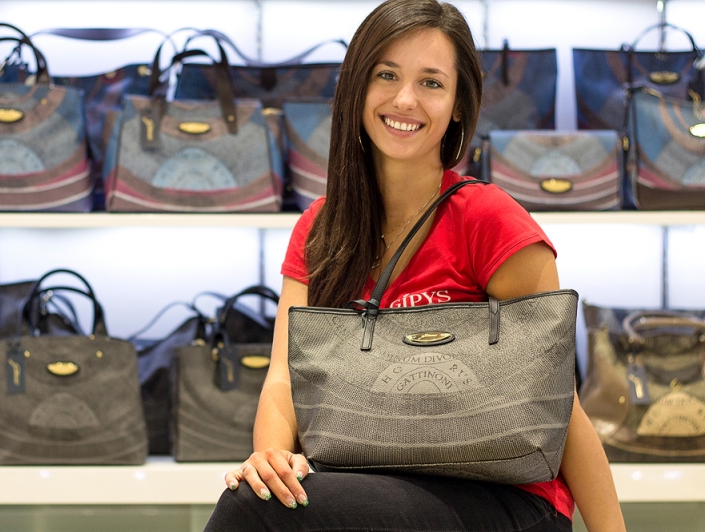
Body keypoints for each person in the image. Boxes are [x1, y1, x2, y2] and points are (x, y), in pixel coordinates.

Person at [204, 0, 627, 530]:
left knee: (250, 512)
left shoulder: (489, 219)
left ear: (458, 104)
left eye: (431, 82)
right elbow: (284, 380)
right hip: (366, 481)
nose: (405, 99)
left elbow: (561, 402)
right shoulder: (319, 229)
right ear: (357, 87)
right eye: (386, 75)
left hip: (503, 495)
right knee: (259, 496)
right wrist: (271, 459)